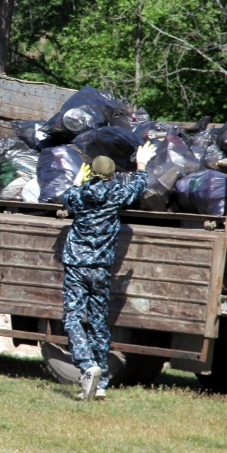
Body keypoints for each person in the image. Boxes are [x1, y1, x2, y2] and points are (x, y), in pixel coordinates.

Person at [61, 142, 156, 400]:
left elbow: (66, 197)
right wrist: (141, 163)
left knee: (73, 318)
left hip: (76, 266)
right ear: (112, 174)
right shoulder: (117, 194)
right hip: (101, 269)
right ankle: (100, 382)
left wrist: (77, 181)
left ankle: (86, 365)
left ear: (91, 172)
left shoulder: (79, 195)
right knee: (98, 322)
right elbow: (138, 187)